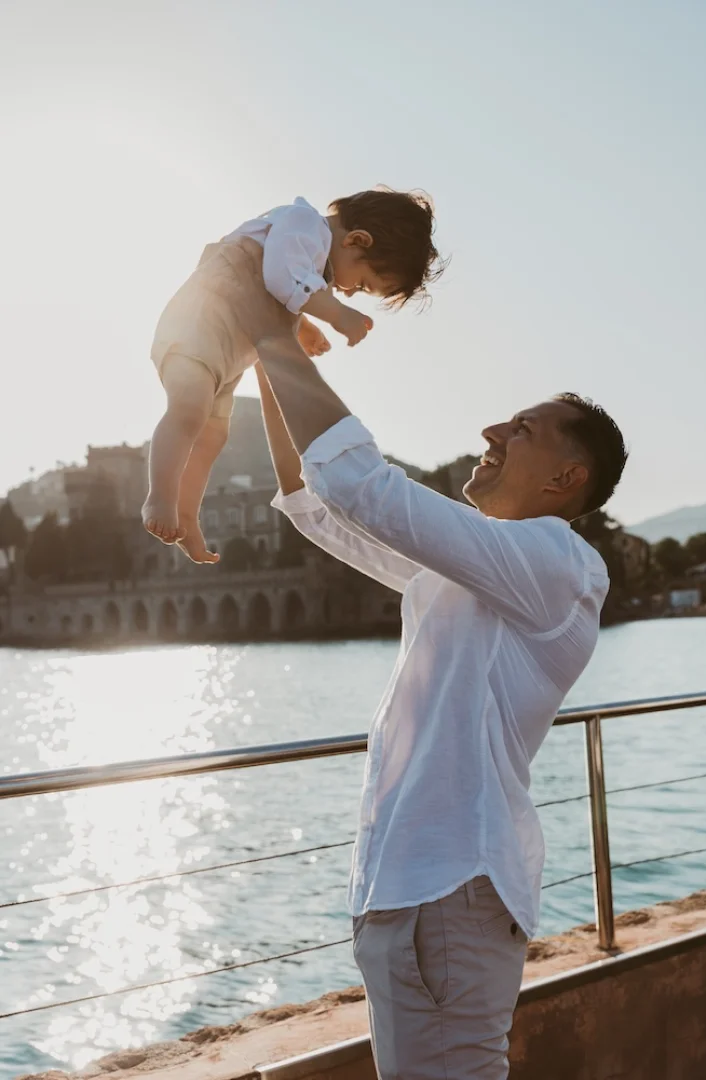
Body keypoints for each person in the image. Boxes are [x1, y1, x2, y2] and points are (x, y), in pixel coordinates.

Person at [236, 239, 627, 1079]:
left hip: (449, 891)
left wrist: (267, 326)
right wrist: (271, 358)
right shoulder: (476, 572)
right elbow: (321, 508)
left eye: (519, 429)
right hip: (416, 894)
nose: (489, 430)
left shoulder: (557, 563)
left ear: (567, 477)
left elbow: (364, 487)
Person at [142, 188, 444, 563]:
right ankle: (160, 495)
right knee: (189, 411)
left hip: (226, 355)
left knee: (213, 435)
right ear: (356, 240)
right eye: (362, 283)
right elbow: (280, 276)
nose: (348, 292)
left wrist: (301, 328)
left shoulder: (310, 260)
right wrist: (335, 315)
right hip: (198, 331)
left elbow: (281, 289)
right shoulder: (302, 224)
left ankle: (186, 514)